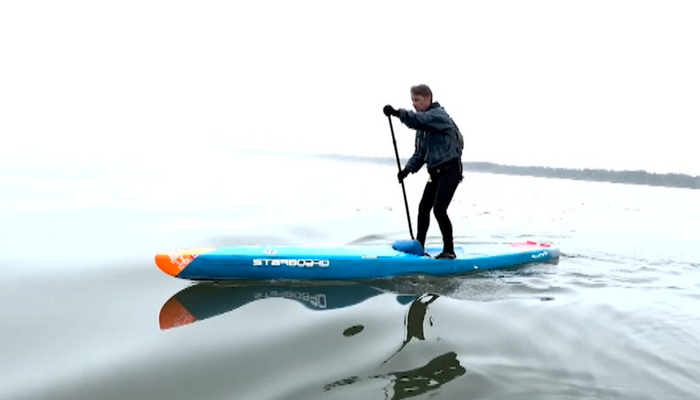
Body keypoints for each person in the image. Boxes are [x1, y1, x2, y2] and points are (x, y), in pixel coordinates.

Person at [383, 84, 464, 260]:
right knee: (423, 208)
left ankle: (449, 251)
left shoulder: (438, 116)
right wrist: (407, 170)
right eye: (412, 100)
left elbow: (417, 120)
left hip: (451, 170)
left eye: (417, 100)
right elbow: (420, 154)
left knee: (439, 209)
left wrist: (397, 113)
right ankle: (419, 246)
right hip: (435, 173)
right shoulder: (422, 127)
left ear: (428, 99)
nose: (414, 104)